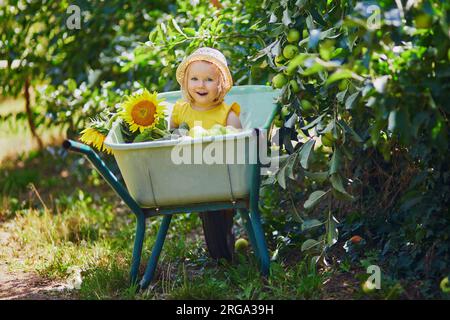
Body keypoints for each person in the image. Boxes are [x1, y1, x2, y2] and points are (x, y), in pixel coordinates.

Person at [170, 47, 242, 262]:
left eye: (209, 79)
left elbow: (239, 141)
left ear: (221, 84)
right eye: (194, 79)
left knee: (221, 213)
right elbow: (170, 137)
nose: (201, 85)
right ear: (186, 83)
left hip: (223, 175)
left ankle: (224, 251)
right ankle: (221, 254)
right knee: (210, 213)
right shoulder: (180, 110)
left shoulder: (227, 113)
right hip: (191, 175)